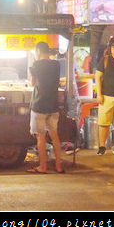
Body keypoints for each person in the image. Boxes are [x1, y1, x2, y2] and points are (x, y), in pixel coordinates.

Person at [27, 41, 64, 174]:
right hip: (53, 105)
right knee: (54, 135)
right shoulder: (56, 64)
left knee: (40, 137)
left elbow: (33, 83)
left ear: (38, 51)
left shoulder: (36, 65)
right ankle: (59, 166)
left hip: (39, 105)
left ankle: (43, 166)